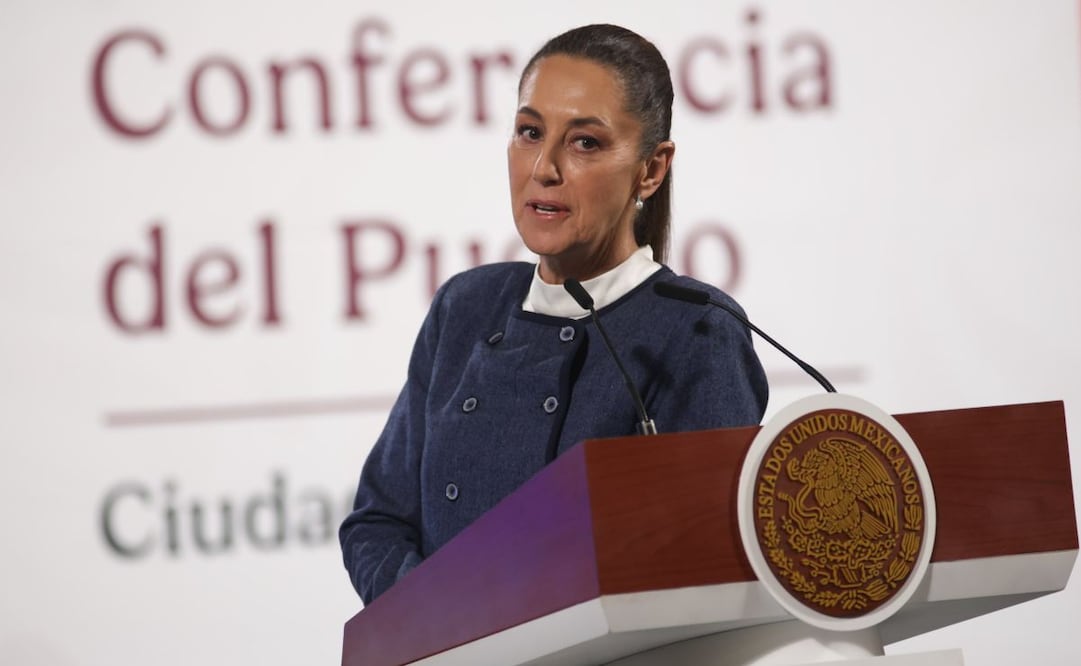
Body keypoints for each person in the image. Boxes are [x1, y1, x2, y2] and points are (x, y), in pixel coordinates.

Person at [340, 24, 768, 605]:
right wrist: (441, 620)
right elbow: (377, 523)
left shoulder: (695, 328)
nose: (544, 167)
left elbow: (708, 570)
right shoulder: (465, 307)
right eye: (529, 132)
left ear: (651, 169)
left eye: (584, 142)